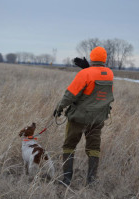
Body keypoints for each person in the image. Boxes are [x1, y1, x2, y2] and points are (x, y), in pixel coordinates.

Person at [54, 46, 114, 186]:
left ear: (91, 58)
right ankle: (91, 181)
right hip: (98, 118)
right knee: (94, 148)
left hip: (79, 118)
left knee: (69, 145)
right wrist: (87, 69)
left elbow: (70, 95)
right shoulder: (110, 74)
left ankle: (67, 180)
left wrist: (59, 108)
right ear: (104, 59)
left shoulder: (85, 74)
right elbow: (96, 83)